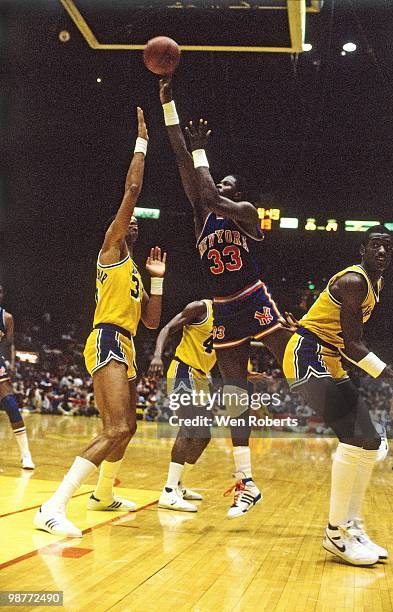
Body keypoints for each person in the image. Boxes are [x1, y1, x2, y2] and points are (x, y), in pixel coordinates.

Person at [159, 77, 291, 518]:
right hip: (225, 310)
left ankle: (351, 420)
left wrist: (202, 155)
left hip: (252, 296)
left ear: (239, 194)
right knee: (234, 395)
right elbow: (182, 160)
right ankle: (246, 481)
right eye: (222, 185)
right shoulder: (203, 218)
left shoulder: (245, 214)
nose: (224, 189)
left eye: (231, 185)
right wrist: (168, 106)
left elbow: (209, 190)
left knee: (295, 362)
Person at [34, 107, 167, 537]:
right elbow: (131, 189)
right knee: (116, 428)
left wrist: (157, 281)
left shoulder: (132, 272)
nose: (131, 227)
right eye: (127, 223)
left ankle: (103, 494)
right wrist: (142, 143)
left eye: (134, 227)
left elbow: (150, 322)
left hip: (127, 343)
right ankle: (53, 505)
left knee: (128, 429)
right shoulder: (110, 252)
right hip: (107, 337)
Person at [283, 225, 393, 566]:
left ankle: (352, 525)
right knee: (356, 439)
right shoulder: (354, 281)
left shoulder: (375, 283)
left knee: (369, 442)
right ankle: (335, 534)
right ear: (362, 249)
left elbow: (347, 342)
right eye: (376, 246)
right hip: (307, 357)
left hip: (330, 359)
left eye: (388, 248)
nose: (382, 252)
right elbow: (354, 345)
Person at [148, 299, 216, 512]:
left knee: (204, 435)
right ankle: (168, 492)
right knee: (188, 427)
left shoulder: (229, 319)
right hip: (183, 370)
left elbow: (219, 353)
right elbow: (167, 328)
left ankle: (178, 484)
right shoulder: (201, 308)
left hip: (202, 377)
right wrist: (158, 356)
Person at [0, 285, 35, 469]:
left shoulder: (7, 318)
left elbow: (7, 344)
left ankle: (25, 454)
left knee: (11, 405)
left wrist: (8, 364)